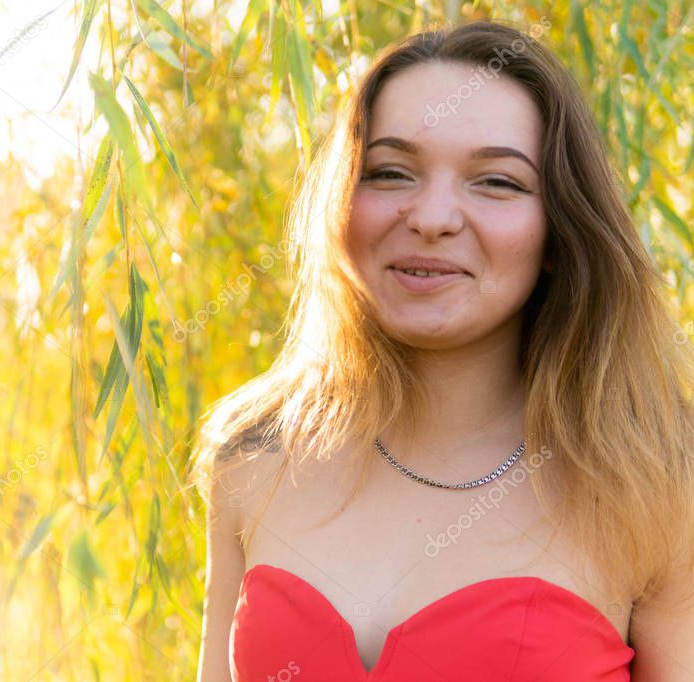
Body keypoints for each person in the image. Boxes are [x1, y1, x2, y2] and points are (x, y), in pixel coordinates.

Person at [189, 19, 694, 681]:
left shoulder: (654, 477)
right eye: (390, 173)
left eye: (496, 182)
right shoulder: (253, 454)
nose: (430, 218)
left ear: (559, 230)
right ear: (340, 205)